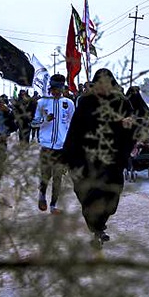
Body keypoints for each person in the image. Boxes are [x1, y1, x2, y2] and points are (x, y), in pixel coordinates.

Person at [62, 68, 136, 247]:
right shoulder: (86, 102)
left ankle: (100, 224)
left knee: (111, 195)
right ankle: (96, 228)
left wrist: (129, 124)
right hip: (86, 159)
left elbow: (133, 126)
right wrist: (67, 157)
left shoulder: (122, 103)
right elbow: (74, 131)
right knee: (88, 195)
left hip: (112, 159)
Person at [32, 74, 75, 213]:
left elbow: (72, 124)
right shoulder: (42, 102)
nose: (57, 91)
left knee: (57, 177)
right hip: (46, 147)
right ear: (51, 87)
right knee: (45, 175)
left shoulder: (68, 103)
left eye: (60, 88)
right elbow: (33, 123)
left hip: (61, 148)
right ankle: (42, 196)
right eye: (55, 88)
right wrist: (45, 119)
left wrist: (70, 144)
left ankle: (53, 206)